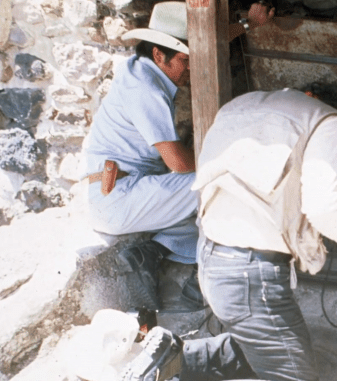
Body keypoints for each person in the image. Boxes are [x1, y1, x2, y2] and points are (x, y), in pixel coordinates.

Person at [115, 83, 337, 381]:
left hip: (213, 258)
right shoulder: (329, 123)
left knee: (274, 349)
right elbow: (324, 206)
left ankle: (174, 356)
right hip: (253, 275)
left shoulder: (243, 105)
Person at [83, 1, 274, 310]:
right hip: (118, 199)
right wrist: (228, 156)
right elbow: (179, 163)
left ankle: (151, 253)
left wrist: (248, 24)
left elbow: (204, 48)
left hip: (125, 192)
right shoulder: (146, 89)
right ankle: (206, 279)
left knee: (201, 214)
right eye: (185, 61)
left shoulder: (143, 68)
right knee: (220, 185)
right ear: (160, 55)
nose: (191, 68)